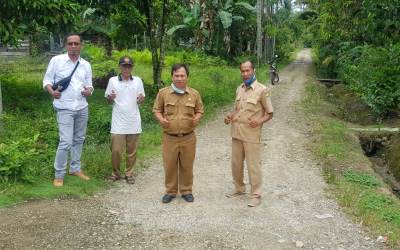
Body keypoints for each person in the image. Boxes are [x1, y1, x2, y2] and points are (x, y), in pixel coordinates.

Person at [43, 34, 93, 187]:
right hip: (64, 107)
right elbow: (47, 81)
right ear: (66, 45)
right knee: (65, 142)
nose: (73, 46)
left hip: (82, 107)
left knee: (79, 139)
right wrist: (52, 92)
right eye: (70, 43)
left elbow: (89, 85)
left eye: (76, 43)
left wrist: (88, 91)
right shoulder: (56, 61)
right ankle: (59, 174)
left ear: (81, 45)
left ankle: (75, 168)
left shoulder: (85, 64)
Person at [224, 60, 274, 207]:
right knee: (236, 164)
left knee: (253, 165)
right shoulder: (239, 89)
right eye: (243, 71)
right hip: (237, 133)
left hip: (252, 134)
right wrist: (229, 117)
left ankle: (256, 194)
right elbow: (237, 109)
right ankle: (239, 189)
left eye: (248, 70)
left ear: (254, 70)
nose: (245, 73)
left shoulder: (262, 90)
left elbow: (270, 113)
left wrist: (259, 121)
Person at [153, 64, 204, 203]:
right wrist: (162, 120)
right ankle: (170, 191)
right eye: (177, 76)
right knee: (169, 165)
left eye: (182, 76)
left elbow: (200, 110)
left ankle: (186, 190)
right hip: (170, 137)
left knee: (187, 165)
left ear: (187, 77)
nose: (179, 78)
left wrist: (197, 118)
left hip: (188, 137)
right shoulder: (163, 93)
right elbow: (156, 110)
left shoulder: (194, 94)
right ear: (172, 76)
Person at [104, 56, 145, 184]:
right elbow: (108, 101)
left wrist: (141, 99)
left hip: (133, 121)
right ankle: (115, 173)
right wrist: (111, 97)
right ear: (120, 66)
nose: (126, 68)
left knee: (132, 151)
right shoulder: (112, 81)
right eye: (124, 65)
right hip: (118, 122)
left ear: (132, 67)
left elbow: (141, 98)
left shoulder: (138, 81)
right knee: (116, 150)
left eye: (129, 66)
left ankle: (129, 173)